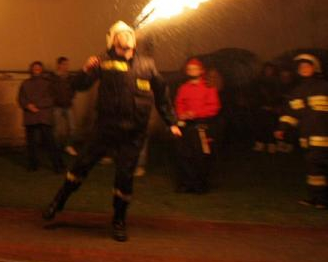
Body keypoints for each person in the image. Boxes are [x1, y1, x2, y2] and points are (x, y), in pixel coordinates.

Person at [42, 21, 180, 242]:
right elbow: (79, 85)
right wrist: (84, 70)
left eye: (127, 35)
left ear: (133, 40)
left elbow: (162, 94)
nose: (124, 39)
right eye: (119, 37)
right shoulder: (103, 62)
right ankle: (58, 202)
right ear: (113, 41)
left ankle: (119, 221)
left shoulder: (147, 65)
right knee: (81, 165)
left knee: (125, 178)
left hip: (133, 134)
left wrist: (171, 121)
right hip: (105, 129)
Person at [274, 53, 328, 210]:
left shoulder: (324, 87)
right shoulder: (296, 91)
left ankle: (322, 199)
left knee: (319, 167)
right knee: (313, 170)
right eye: (301, 67)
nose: (304, 69)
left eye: (307, 66)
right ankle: (317, 199)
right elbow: (290, 114)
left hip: (324, 136)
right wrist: (282, 128)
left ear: (315, 68)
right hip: (307, 138)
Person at [173, 58, 221, 193]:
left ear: (201, 70)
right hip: (186, 126)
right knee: (184, 155)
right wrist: (182, 114)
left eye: (195, 68)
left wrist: (196, 113)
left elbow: (214, 107)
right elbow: (179, 104)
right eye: (189, 69)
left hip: (202, 126)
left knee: (200, 156)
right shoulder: (184, 88)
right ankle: (186, 184)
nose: (192, 71)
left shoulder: (209, 87)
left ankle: (200, 185)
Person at [18, 61, 63, 172]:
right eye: (34, 68)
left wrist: (36, 105)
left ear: (41, 70)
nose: (36, 69)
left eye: (38, 68)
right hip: (30, 117)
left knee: (50, 142)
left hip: (43, 116)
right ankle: (33, 165)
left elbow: (51, 98)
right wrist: (28, 105)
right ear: (31, 69)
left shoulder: (48, 83)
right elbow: (21, 98)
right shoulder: (25, 83)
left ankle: (57, 165)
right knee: (31, 143)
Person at [253, 62, 281, 153]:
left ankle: (271, 144)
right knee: (261, 126)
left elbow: (278, 96)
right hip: (261, 109)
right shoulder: (259, 82)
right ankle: (260, 143)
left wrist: (273, 106)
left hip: (272, 109)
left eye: (270, 69)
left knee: (272, 126)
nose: (268, 71)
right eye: (267, 69)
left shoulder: (276, 82)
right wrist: (261, 105)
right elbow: (256, 95)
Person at [52, 56, 78, 154]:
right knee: (56, 130)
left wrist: (70, 97)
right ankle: (56, 148)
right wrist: (54, 100)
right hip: (57, 106)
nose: (66, 66)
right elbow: (50, 90)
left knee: (73, 128)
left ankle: (68, 145)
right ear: (58, 65)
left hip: (68, 105)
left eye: (67, 64)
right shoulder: (54, 77)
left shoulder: (70, 78)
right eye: (64, 64)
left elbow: (73, 89)